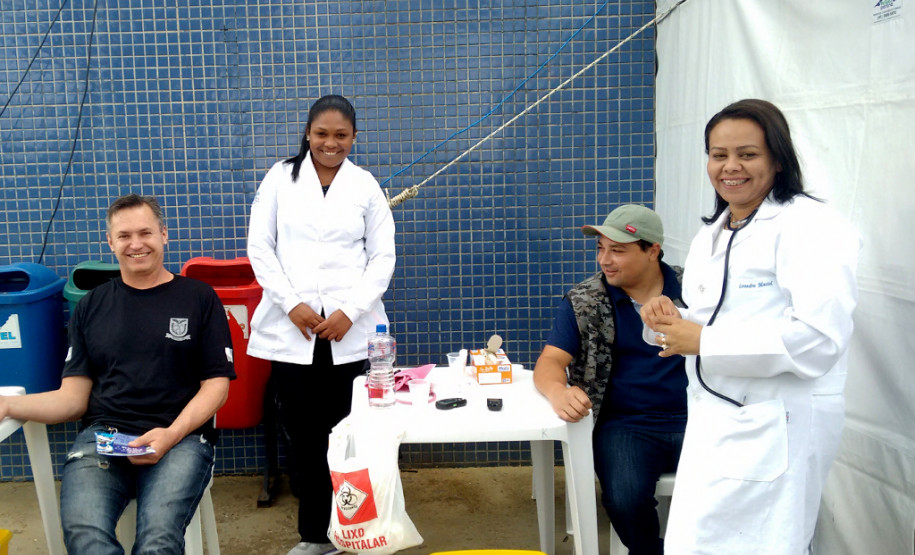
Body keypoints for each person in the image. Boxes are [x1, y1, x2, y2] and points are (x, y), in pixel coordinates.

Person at [641, 99, 860, 553]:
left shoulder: (809, 226)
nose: (730, 167)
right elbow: (714, 319)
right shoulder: (713, 233)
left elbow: (819, 339)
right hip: (715, 419)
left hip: (778, 422)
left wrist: (705, 340)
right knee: (696, 542)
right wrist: (670, 321)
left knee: (765, 543)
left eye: (748, 154)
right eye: (718, 155)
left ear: (778, 159)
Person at [0, 194, 236, 554]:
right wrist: (8, 405)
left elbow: (217, 386)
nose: (136, 244)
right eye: (124, 236)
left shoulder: (199, 297)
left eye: (146, 233)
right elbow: (72, 400)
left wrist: (171, 435)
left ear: (164, 234)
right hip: (104, 438)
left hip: (181, 439)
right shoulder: (90, 306)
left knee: (157, 541)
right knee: (84, 532)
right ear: (110, 242)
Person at [246, 94, 396, 555]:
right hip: (293, 333)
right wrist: (291, 304)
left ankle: (357, 532)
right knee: (306, 438)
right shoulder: (279, 178)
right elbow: (260, 247)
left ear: (354, 137)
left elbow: (383, 257)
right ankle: (315, 535)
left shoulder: (365, 186)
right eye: (322, 134)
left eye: (341, 135)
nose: (331, 144)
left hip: (349, 334)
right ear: (308, 134)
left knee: (351, 435)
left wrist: (351, 311)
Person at [533, 204, 687, 555]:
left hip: (701, 417)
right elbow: (550, 361)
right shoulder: (586, 300)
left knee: (738, 488)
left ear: (653, 251)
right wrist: (558, 391)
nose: (605, 260)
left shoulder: (696, 289)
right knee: (625, 499)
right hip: (625, 425)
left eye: (618, 250)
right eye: (601, 248)